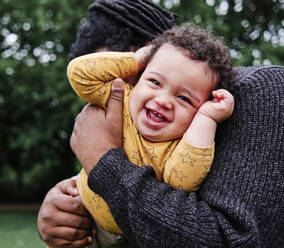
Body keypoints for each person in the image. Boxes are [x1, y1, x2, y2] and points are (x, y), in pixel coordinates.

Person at [38, 0, 284, 247]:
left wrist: (103, 161)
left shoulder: (258, 93)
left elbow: (225, 238)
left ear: (146, 55)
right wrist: (64, 207)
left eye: (115, 73)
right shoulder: (138, 110)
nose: (161, 101)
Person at [67, 24, 234, 240]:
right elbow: (79, 74)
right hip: (84, 218)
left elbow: (183, 182)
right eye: (154, 81)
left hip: (136, 234)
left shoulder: (182, 144)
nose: (163, 100)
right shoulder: (121, 98)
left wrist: (206, 119)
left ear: (200, 108)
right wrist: (135, 60)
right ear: (138, 77)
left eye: (184, 98)